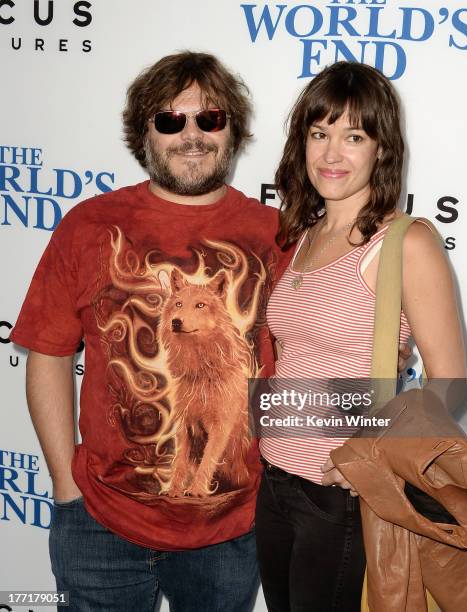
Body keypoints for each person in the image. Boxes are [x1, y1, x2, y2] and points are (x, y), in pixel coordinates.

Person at [10, 51, 287, 612]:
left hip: (231, 530)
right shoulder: (89, 225)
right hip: (100, 523)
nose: (191, 135)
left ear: (232, 129)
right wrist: (66, 488)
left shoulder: (277, 233)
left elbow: (316, 349)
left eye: (209, 119)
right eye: (170, 120)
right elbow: (48, 353)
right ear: (145, 134)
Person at [255, 61, 466, 612]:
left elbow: (452, 383)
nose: (331, 154)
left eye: (354, 137)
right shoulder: (303, 235)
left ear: (381, 149)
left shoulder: (404, 243)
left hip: (340, 497)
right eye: (319, 133)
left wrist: (370, 454)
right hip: (275, 480)